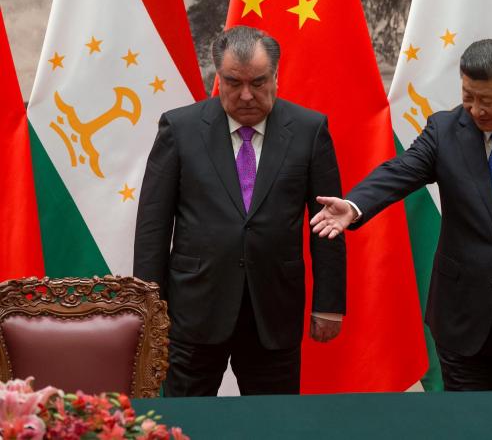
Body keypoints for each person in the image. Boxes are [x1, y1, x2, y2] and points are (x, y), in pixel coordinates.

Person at [311, 39, 492, 391]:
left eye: (486, 100)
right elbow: (400, 171)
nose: (475, 109)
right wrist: (355, 205)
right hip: (461, 316)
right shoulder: (445, 131)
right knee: (466, 424)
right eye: (468, 96)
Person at [134, 25, 346, 396]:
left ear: (276, 76)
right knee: (185, 422)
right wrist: (149, 307)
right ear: (218, 77)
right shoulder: (180, 128)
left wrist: (328, 304)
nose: (246, 95)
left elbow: (327, 221)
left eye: (259, 82)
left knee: (274, 425)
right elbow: (153, 225)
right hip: (194, 308)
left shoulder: (310, 130)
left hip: (273, 308)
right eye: (233, 83)